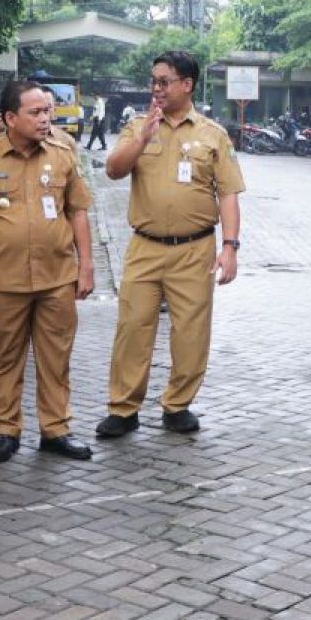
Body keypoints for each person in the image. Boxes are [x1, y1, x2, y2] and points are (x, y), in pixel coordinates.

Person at [97, 51, 245, 438]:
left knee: (191, 332)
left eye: (164, 81)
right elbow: (113, 170)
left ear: (187, 85)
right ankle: (124, 408)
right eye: (153, 82)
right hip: (144, 247)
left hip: (195, 250)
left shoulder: (213, 134)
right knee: (132, 327)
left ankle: (177, 404)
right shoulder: (137, 126)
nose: (156, 89)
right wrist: (144, 136)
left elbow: (228, 193)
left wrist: (230, 247)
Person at [0, 80, 96, 463]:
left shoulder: (62, 155)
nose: (44, 118)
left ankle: (56, 429)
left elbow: (78, 212)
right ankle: (6, 430)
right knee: (5, 358)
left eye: (47, 111)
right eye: (35, 112)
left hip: (57, 278)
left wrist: (86, 266)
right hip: (5, 281)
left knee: (56, 357)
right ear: (10, 118)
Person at [42, 86, 79, 152]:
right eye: (36, 108)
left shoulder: (68, 143)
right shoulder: (19, 141)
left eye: (48, 106)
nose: (43, 112)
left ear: (54, 108)